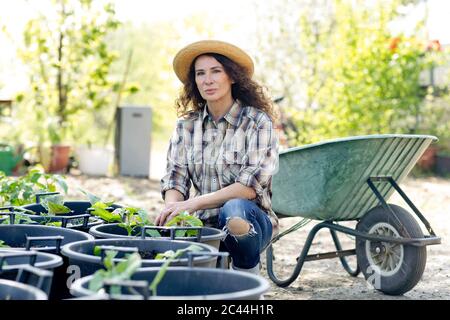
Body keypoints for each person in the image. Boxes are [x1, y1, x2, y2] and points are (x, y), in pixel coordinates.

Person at [157, 40, 279, 275]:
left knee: (233, 212)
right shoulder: (186, 126)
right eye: (200, 73)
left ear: (232, 77)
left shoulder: (257, 122)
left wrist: (192, 204)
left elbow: (248, 188)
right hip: (202, 225)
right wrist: (173, 210)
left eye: (216, 71)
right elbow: (175, 178)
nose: (207, 80)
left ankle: (246, 278)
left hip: (249, 221)